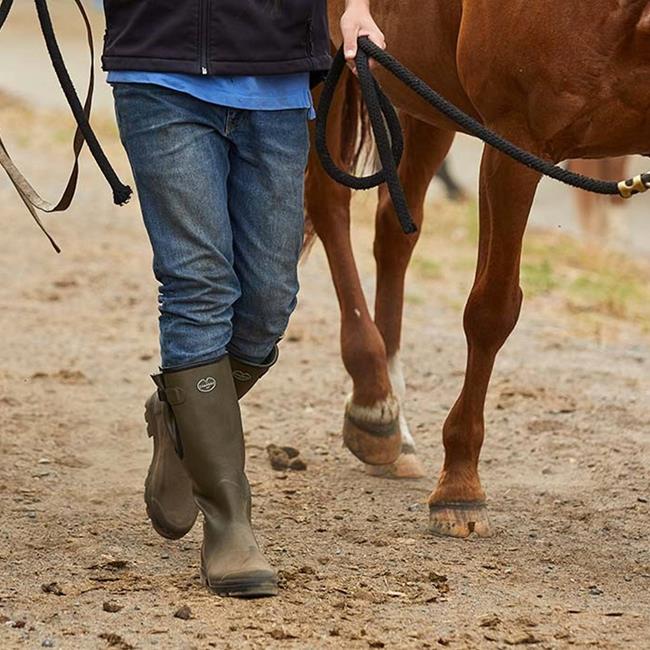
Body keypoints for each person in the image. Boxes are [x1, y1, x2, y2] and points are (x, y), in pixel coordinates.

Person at [101, 1, 385, 598]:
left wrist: (357, 8)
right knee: (198, 284)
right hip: (158, 68)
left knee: (270, 299)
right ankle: (229, 523)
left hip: (276, 76)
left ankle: (180, 414)